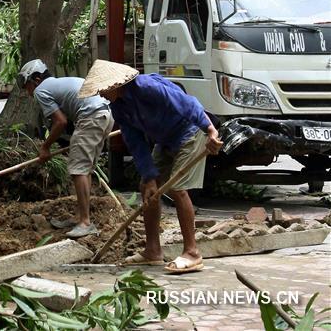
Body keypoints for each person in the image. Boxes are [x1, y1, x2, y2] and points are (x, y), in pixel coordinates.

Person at [79, 59, 223, 274]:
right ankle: (153, 250)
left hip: (189, 132)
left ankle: (192, 252)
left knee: (177, 188)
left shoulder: (147, 87)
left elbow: (188, 104)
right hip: (164, 139)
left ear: (114, 85)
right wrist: (149, 176)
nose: (100, 94)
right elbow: (135, 141)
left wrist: (211, 131)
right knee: (147, 189)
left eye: (102, 89)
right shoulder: (118, 107)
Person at [17, 59, 114, 239]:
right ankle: (80, 217)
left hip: (90, 117)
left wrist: (45, 147)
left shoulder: (41, 90)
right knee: (85, 170)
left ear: (36, 80)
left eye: (27, 85)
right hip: (104, 114)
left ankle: (85, 223)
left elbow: (60, 122)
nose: (27, 91)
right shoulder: (57, 83)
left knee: (78, 170)